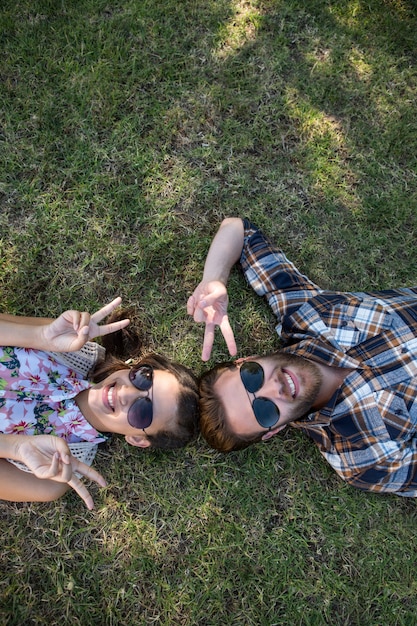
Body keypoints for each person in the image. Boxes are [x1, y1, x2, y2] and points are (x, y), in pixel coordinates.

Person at [187, 217, 417, 497]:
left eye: (252, 377)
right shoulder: (362, 457)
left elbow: (239, 230)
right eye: (265, 411)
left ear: (246, 360)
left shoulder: (305, 313)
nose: (275, 388)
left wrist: (214, 280)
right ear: (274, 431)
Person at [0, 297, 199, 509]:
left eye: (143, 410)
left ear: (138, 439)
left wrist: (14, 448)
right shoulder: (73, 345)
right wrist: (38, 336)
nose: (126, 392)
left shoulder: (53, 478)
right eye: (144, 377)